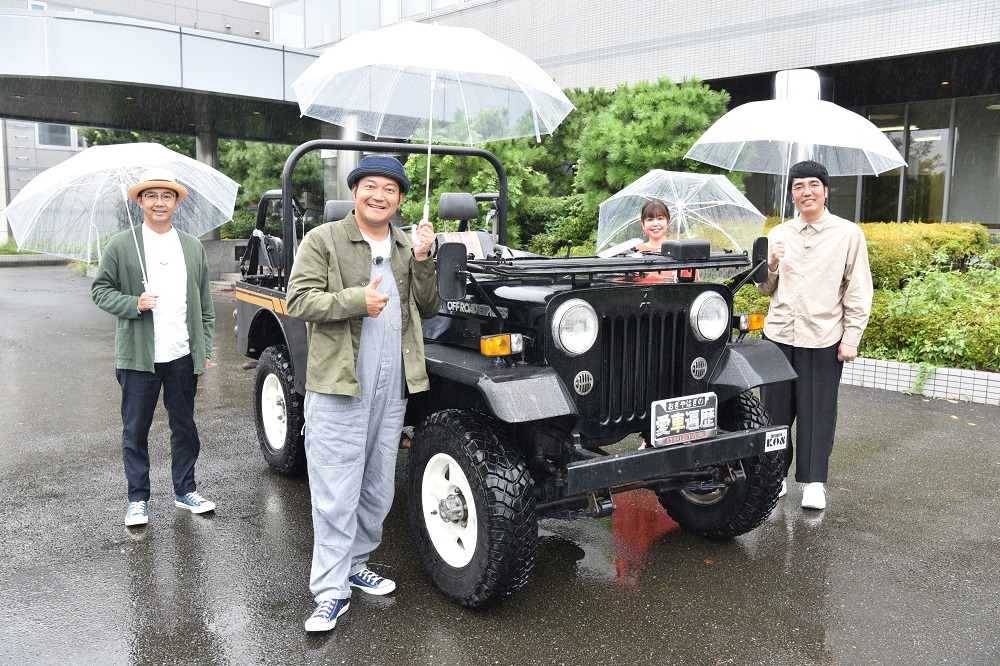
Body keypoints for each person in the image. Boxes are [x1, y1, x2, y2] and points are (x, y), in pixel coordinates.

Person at [286, 155, 440, 633]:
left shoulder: (403, 242)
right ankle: (330, 592)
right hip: (340, 385)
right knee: (335, 490)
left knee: (377, 485)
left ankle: (357, 565)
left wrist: (422, 258)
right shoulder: (324, 239)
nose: (379, 195)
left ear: (399, 199)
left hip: (392, 385)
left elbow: (428, 306)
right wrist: (357, 300)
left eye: (390, 189)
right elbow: (298, 299)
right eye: (370, 186)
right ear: (354, 192)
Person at [92, 167, 216, 527]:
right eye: (151, 196)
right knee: (135, 429)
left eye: (166, 196)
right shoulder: (121, 244)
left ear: (176, 202)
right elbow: (100, 290)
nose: (159, 202)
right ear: (140, 202)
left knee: (185, 427)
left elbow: (205, 305)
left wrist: (203, 347)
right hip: (138, 358)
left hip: (181, 354)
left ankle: (185, 490)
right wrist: (134, 303)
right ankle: (137, 498)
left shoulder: (192, 247)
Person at [757, 160, 874, 510]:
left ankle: (813, 482)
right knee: (773, 412)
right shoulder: (778, 234)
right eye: (798, 186)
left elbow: (858, 289)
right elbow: (764, 288)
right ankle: (774, 475)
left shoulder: (848, 234)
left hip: (823, 336)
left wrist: (851, 338)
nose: (805, 192)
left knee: (817, 412)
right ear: (791, 193)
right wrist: (771, 263)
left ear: (825, 190)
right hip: (779, 335)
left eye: (812, 185)